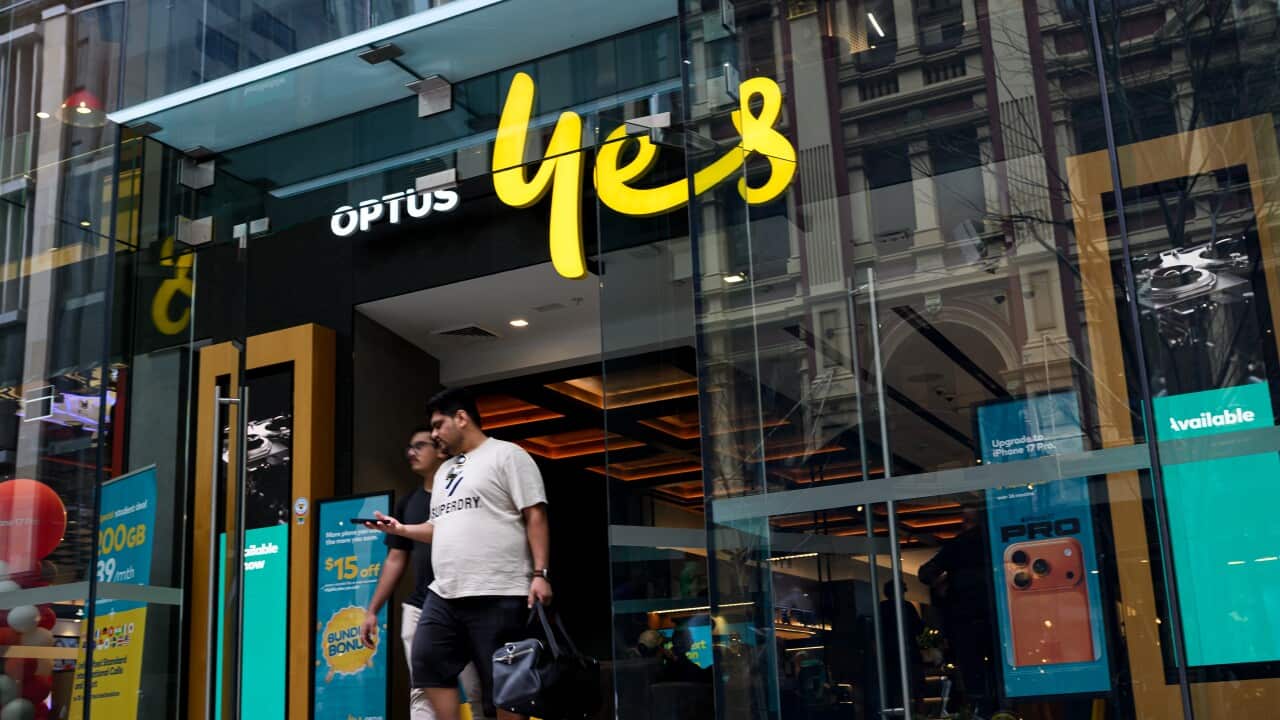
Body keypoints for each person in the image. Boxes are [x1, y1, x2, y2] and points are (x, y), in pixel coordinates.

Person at [367, 387, 551, 720]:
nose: (435, 434)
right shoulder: (445, 472)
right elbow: (438, 526)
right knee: (426, 661)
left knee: (505, 688)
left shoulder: (507, 455)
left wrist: (540, 573)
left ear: (462, 418)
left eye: (439, 425)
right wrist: (401, 530)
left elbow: (534, 514)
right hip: (445, 592)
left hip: (498, 589)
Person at [360, 426, 482, 719]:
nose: (411, 453)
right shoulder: (409, 502)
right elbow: (395, 559)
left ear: (441, 450)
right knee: (422, 690)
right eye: (409, 447)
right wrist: (372, 610)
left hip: (462, 602)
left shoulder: (464, 496)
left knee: (477, 689)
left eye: (419, 446)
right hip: (420, 607)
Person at [918, 504, 995, 716]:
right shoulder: (995, 540)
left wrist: (942, 583)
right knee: (998, 669)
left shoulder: (959, 545)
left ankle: (981, 710)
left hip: (965, 618)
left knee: (973, 672)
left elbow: (925, 573)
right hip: (996, 617)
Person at [878, 579, 925, 712]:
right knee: (917, 689)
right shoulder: (907, 606)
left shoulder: (882, 608)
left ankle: (899, 713)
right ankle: (918, 714)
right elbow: (919, 628)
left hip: (890, 654)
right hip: (908, 652)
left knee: (895, 689)